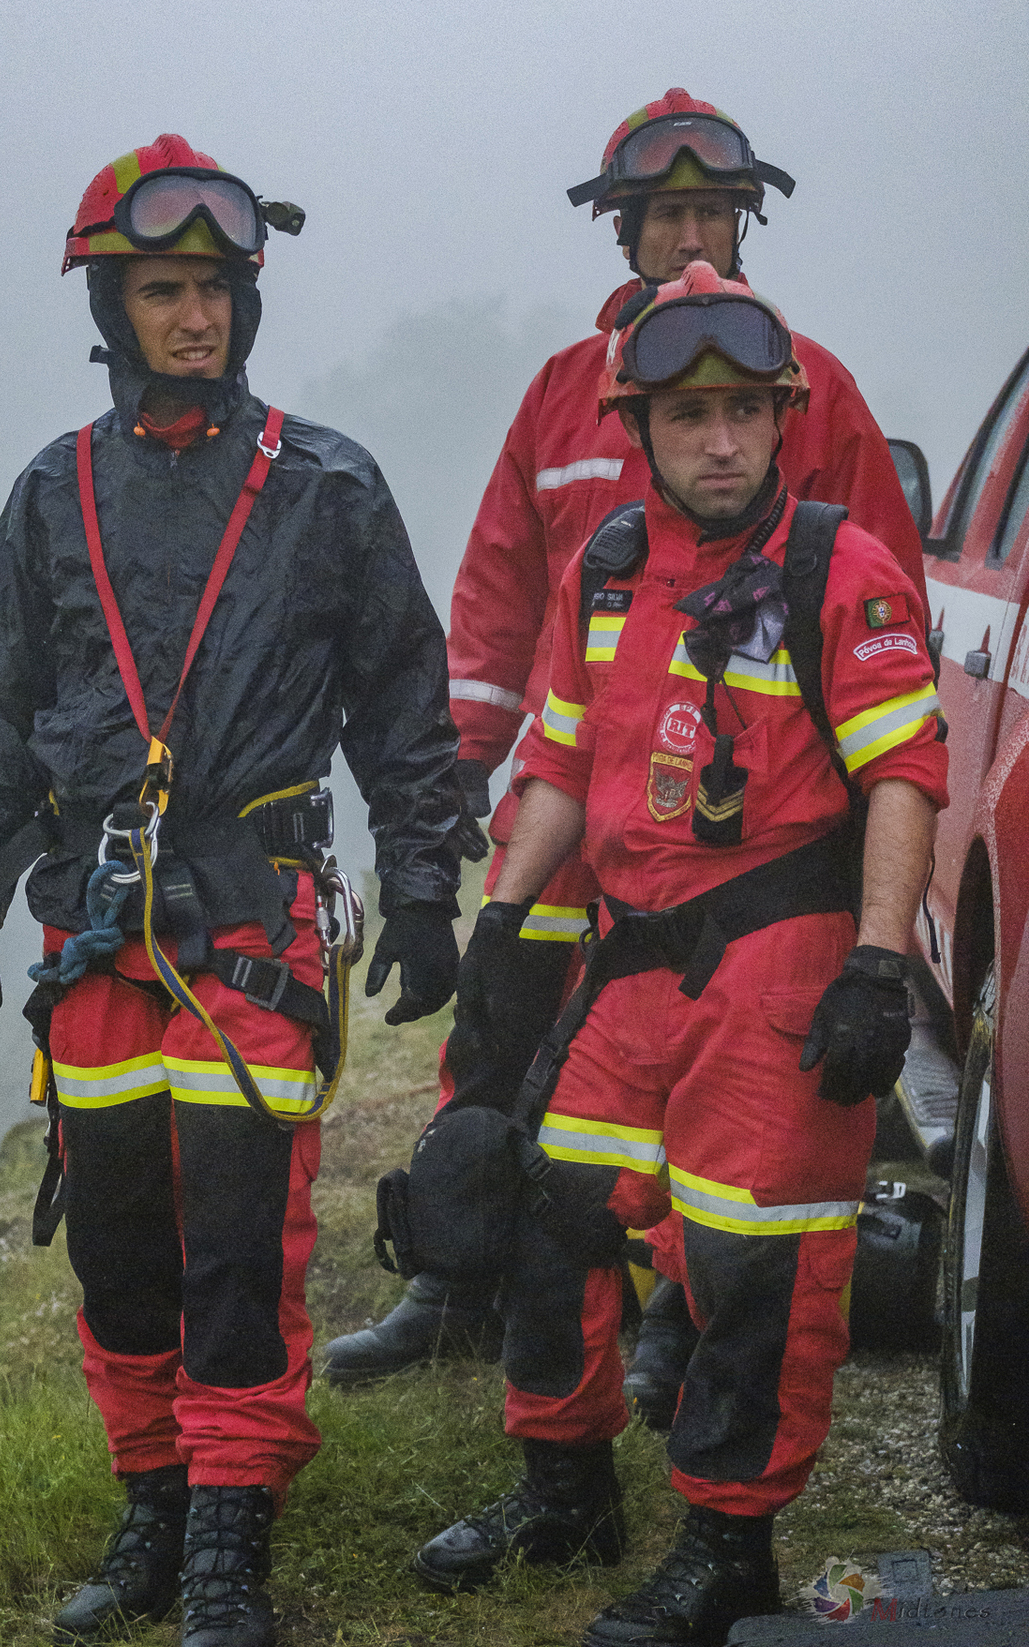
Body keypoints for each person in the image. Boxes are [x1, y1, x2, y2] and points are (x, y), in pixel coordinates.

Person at [0, 134, 463, 1647]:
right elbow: (3, 719)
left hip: (252, 918)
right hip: (94, 927)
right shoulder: (53, 495)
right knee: (117, 1242)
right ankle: (152, 1505)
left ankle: (231, 1537)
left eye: (217, 289)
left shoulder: (327, 486)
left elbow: (403, 706)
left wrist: (425, 886)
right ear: (113, 306)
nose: (196, 318)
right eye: (164, 290)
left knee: (238, 1240)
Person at [323, 87, 928, 1388]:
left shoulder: (809, 386)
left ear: (744, 225)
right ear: (623, 231)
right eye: (666, 216)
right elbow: (497, 594)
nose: (691, 237)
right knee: (501, 1037)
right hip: (571, 801)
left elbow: (882, 606)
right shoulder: (560, 395)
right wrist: (459, 784)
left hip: (737, 834)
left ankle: (674, 1318)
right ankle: (458, 1280)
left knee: (718, 1087)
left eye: (712, 212)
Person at [411, 262, 947, 1646]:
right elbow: (560, 757)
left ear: (782, 421)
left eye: (747, 413)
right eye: (690, 416)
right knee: (551, 1208)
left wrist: (878, 966)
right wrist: (501, 924)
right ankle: (565, 1490)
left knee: (758, 1262)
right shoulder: (607, 568)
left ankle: (729, 1549)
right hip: (631, 961)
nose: (722, 442)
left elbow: (904, 775)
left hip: (782, 967)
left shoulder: (839, 568)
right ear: (639, 430)